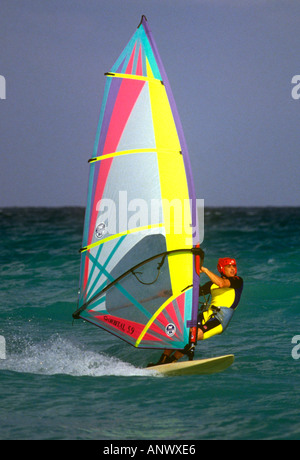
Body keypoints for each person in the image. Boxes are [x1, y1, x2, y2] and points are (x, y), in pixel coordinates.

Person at [148, 257, 243, 366]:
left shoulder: (237, 281)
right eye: (229, 266)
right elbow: (193, 293)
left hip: (219, 319)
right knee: (181, 332)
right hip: (207, 315)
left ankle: (172, 360)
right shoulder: (212, 285)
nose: (232, 269)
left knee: (193, 336)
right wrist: (168, 292)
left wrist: (206, 270)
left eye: (234, 266)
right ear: (222, 268)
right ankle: (162, 361)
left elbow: (222, 283)